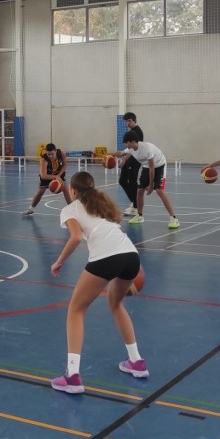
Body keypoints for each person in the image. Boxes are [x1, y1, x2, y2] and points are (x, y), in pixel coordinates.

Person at [49, 172, 148, 393]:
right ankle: (136, 362)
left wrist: (59, 262)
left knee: (75, 310)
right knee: (115, 304)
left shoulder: (70, 209)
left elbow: (75, 237)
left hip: (106, 258)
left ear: (73, 190)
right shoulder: (101, 204)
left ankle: (72, 376)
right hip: (131, 255)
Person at [114, 135, 179, 229]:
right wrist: (108, 155)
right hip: (147, 167)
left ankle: (174, 218)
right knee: (139, 191)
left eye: (126, 142)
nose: (125, 144)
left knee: (159, 190)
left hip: (159, 165)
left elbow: (152, 169)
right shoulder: (131, 149)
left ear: (133, 142)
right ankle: (139, 216)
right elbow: (120, 153)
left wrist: (151, 185)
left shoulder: (146, 149)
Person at [22, 143, 67, 216]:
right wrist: (55, 177)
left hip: (58, 172)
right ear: (46, 152)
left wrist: (58, 176)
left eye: (52, 154)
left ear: (55, 151)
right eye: (49, 154)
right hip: (48, 175)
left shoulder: (61, 153)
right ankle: (31, 209)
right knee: (40, 191)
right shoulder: (44, 159)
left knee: (66, 189)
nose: (50, 156)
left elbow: (64, 165)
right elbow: (43, 176)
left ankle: (73, 209)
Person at [119, 113, 144, 216]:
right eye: (126, 121)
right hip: (129, 160)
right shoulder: (131, 131)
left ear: (134, 120)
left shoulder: (138, 132)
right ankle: (134, 203)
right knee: (122, 181)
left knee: (132, 182)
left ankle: (136, 206)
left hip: (134, 161)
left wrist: (124, 160)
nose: (127, 123)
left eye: (129, 121)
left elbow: (132, 150)